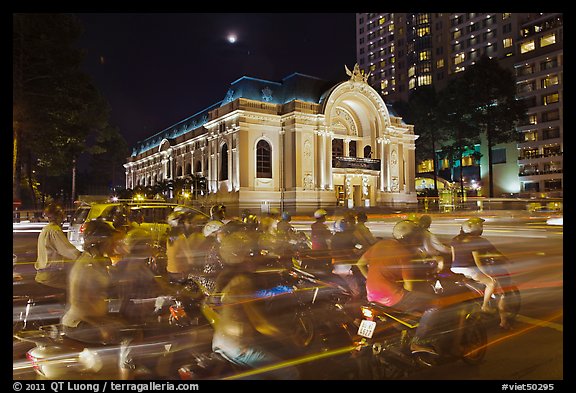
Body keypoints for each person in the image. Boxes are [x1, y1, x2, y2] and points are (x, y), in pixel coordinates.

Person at [210, 230, 301, 380]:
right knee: (290, 373)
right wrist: (288, 337)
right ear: (241, 259)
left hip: (222, 342)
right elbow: (260, 324)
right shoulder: (242, 282)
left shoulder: (227, 279)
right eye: (251, 255)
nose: (257, 258)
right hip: (238, 347)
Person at [357, 219, 451, 355]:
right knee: (435, 303)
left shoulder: (380, 244)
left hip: (371, 294)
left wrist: (371, 278)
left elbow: (360, 263)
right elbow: (409, 287)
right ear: (410, 238)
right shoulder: (405, 254)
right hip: (392, 297)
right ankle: (418, 341)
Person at [61, 220, 126, 345]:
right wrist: (101, 326)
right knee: (129, 335)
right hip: (80, 324)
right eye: (111, 242)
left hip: (93, 320)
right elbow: (79, 302)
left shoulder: (97, 261)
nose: (113, 245)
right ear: (101, 242)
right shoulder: (86, 266)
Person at [450, 217, 511, 329]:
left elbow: (453, 258)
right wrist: (488, 276)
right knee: (492, 283)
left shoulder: (455, 240)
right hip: (469, 270)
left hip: (454, 269)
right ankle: (486, 307)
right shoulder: (475, 241)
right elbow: (478, 262)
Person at [35, 203, 81, 290]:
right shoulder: (54, 231)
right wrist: (84, 256)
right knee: (78, 289)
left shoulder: (46, 229)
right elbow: (69, 251)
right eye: (62, 215)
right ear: (58, 216)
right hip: (52, 277)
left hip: (43, 275)